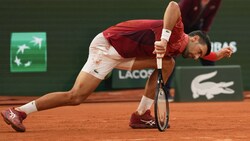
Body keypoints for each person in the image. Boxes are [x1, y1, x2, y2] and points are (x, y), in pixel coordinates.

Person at [1, 1, 232, 132]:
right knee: (76, 96)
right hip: (108, 46)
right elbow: (173, 5)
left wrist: (216, 55)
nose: (196, 57)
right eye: (198, 52)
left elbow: (198, 53)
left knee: (168, 63)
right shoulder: (179, 34)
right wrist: (163, 39)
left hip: (126, 54)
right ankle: (19, 111)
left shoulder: (179, 50)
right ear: (192, 39)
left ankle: (141, 115)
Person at [164, 0, 222, 101]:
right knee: (170, 59)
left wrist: (203, 34)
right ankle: (164, 92)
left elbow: (210, 18)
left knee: (205, 51)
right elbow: (179, 14)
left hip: (196, 29)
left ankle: (215, 88)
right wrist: (179, 37)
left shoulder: (216, 1)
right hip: (179, 27)